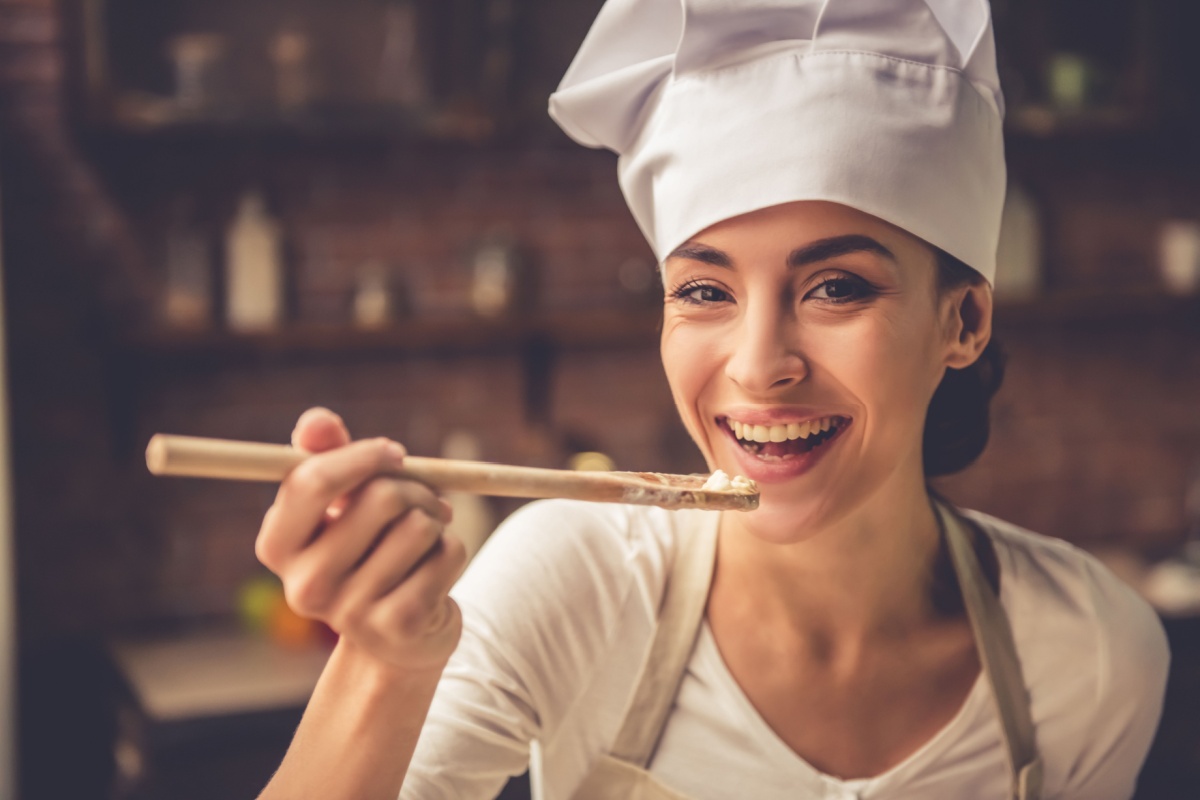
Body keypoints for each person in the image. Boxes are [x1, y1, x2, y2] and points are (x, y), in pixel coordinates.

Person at [255, 2, 1169, 798]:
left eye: (837, 288)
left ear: (962, 321)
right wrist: (384, 665)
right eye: (704, 291)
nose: (758, 365)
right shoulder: (575, 582)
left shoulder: (1090, 654)